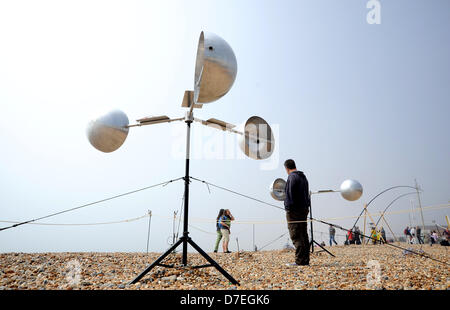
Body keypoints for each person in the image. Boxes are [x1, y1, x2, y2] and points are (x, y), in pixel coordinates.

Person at [283, 159, 310, 266]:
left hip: (294, 211)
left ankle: (299, 261)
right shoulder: (303, 177)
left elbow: (290, 195)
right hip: (304, 209)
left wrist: (288, 208)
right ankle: (305, 260)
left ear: (286, 168)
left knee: (296, 235)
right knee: (303, 234)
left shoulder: (292, 177)